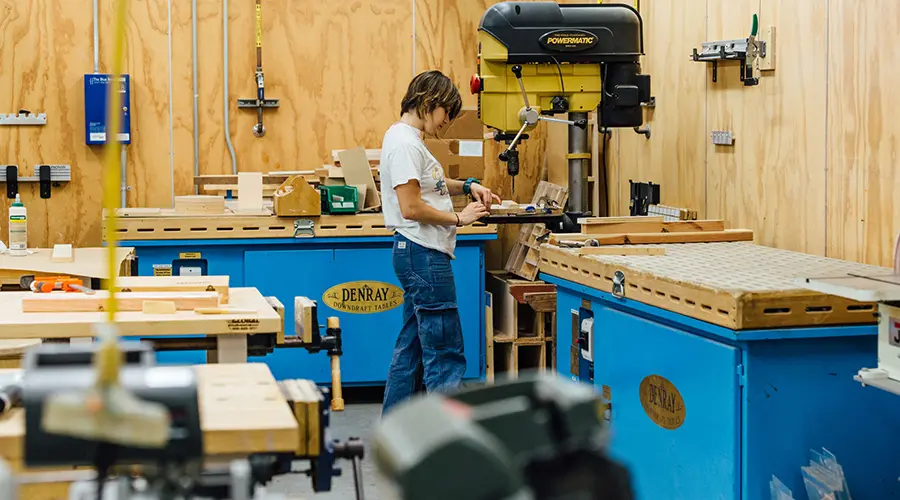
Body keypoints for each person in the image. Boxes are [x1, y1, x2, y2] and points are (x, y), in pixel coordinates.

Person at [379, 70, 500, 415]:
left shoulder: (405, 140)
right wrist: (460, 218)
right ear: (429, 101)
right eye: (446, 111)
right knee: (445, 351)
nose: (447, 120)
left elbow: (426, 180)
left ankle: (396, 428)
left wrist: (466, 186)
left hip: (416, 253)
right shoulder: (404, 144)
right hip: (423, 254)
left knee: (413, 347)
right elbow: (411, 206)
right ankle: (448, 440)